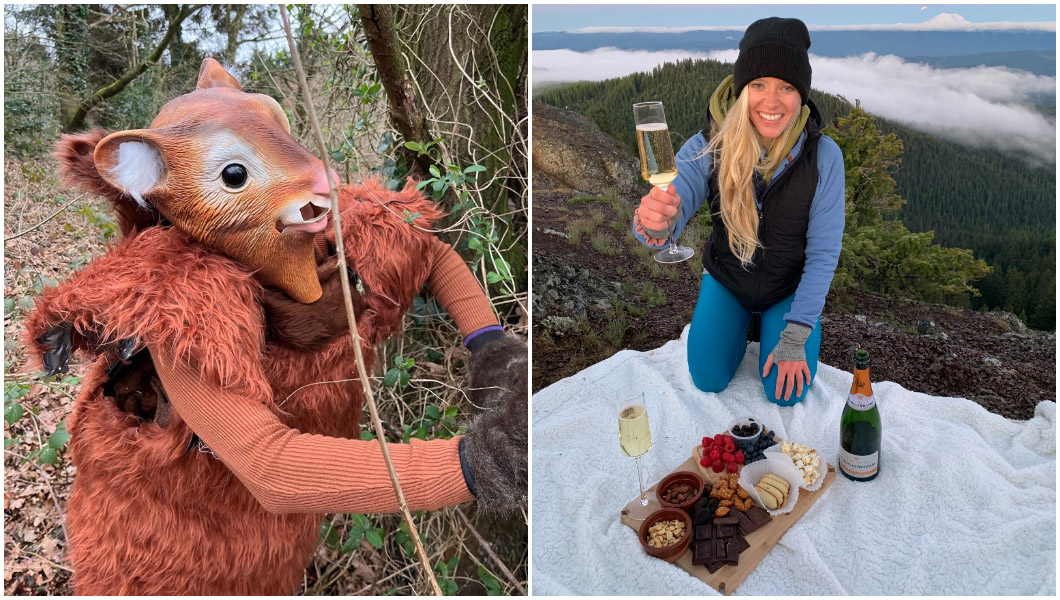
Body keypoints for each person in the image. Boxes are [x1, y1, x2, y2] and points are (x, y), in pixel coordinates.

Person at [633, 17, 845, 405]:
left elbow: (823, 254)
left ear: (801, 95)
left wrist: (796, 335)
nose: (772, 101)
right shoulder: (708, 145)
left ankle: (769, 324)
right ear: (741, 88)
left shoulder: (824, 157)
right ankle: (739, 323)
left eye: (786, 87)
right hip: (728, 280)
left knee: (786, 395)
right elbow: (673, 203)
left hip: (787, 288)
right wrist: (656, 222)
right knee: (707, 378)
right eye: (758, 85)